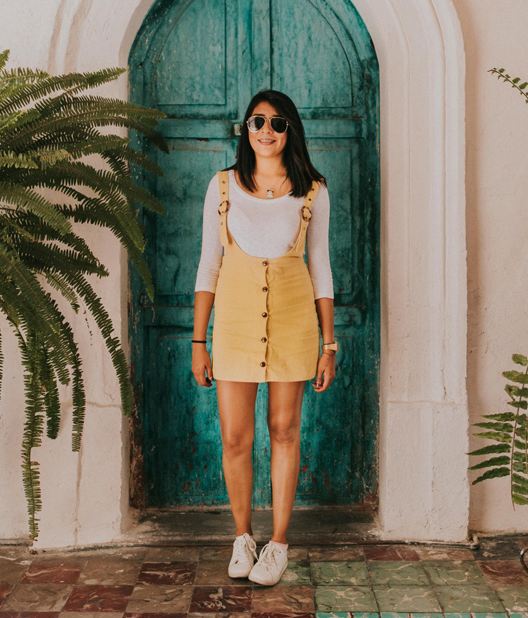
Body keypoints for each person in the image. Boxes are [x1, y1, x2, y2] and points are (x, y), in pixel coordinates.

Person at [192, 90, 337, 586]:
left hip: (295, 325)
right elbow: (208, 265)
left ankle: (278, 545)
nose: (267, 131)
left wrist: (329, 345)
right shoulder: (222, 186)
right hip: (234, 324)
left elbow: (321, 268)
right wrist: (198, 342)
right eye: (257, 121)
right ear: (246, 129)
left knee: (284, 430)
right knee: (235, 436)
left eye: (277, 122)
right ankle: (242, 538)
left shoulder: (312, 190)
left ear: (290, 130)